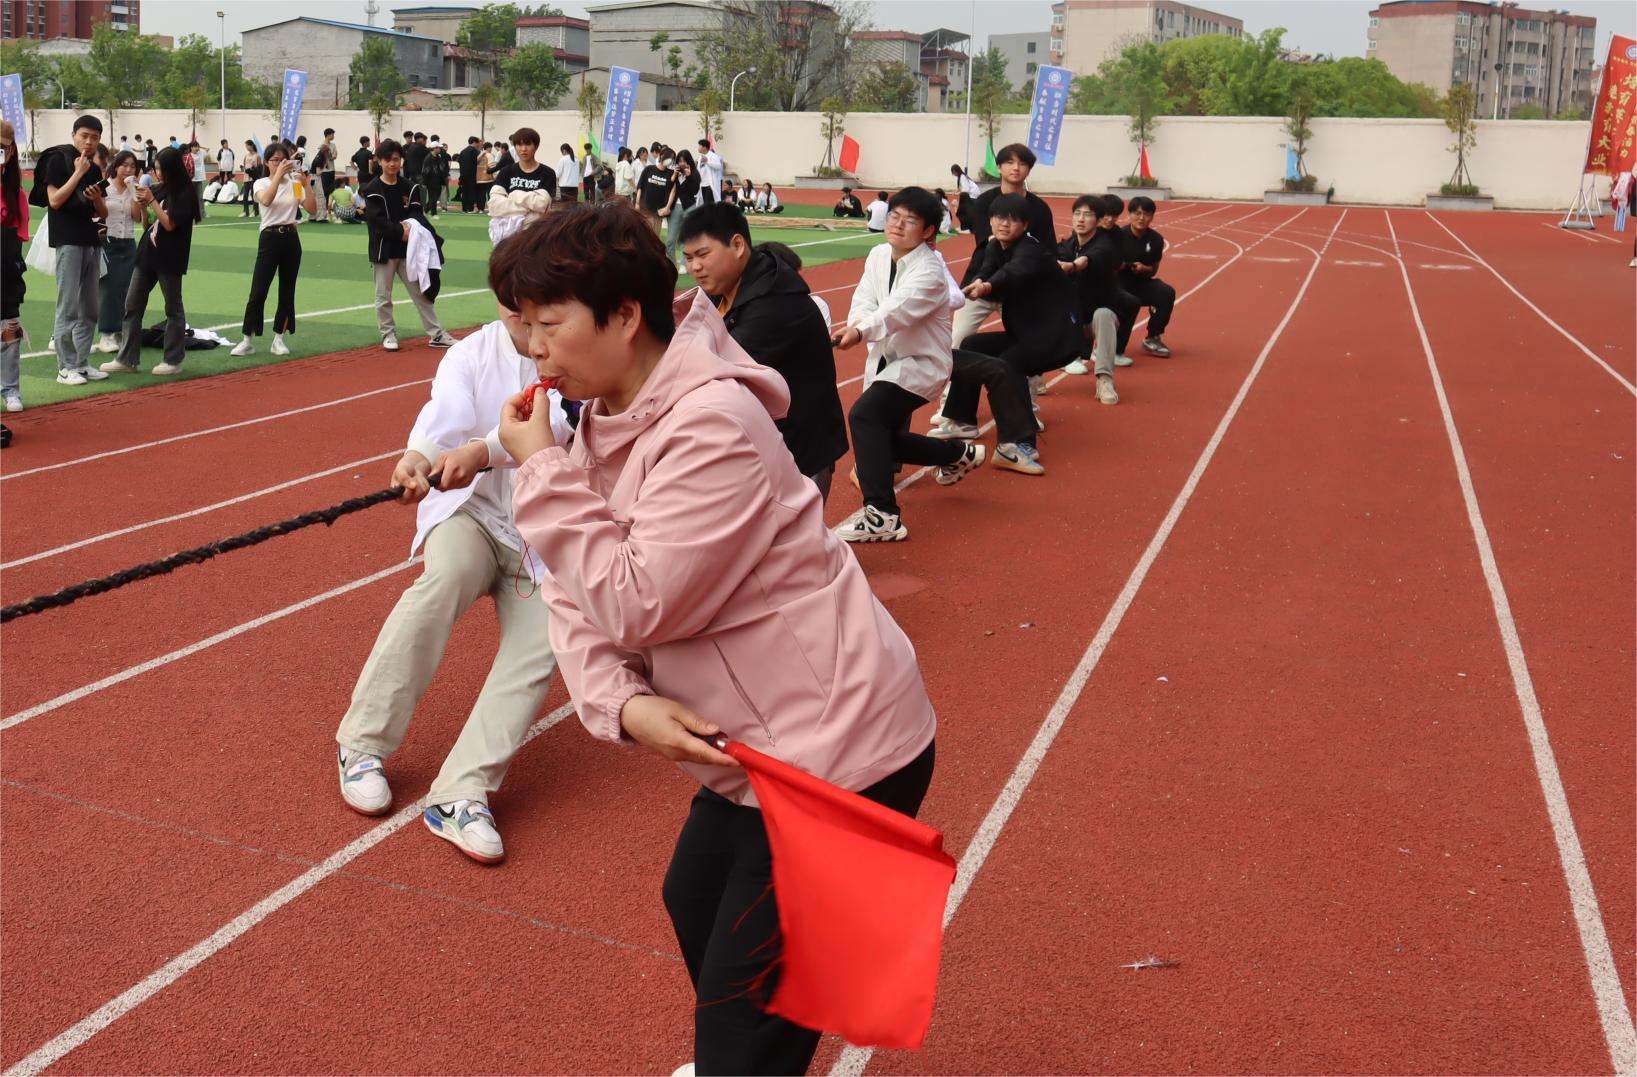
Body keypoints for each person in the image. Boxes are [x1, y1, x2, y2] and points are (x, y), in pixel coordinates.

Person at [492, 204, 940, 1077]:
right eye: (522, 328)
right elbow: (574, 597)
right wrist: (621, 704)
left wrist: (538, 468)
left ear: (624, 315)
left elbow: (631, 601)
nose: (532, 351)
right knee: (694, 897)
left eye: (548, 325)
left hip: (836, 749)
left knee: (744, 1012)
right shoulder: (606, 412)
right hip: (765, 744)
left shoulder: (709, 425)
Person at [334, 297, 570, 863]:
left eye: (541, 310)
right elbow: (444, 411)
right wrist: (419, 455)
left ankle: (462, 792)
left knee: (544, 641)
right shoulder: (471, 353)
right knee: (446, 578)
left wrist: (482, 451)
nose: (527, 323)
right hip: (470, 514)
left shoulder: (572, 353)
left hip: (539, 536)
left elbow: (561, 421)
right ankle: (362, 744)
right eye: (516, 308)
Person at [832, 187, 985, 542]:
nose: (898, 225)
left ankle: (882, 514)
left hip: (923, 363)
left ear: (928, 231)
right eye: (895, 217)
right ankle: (957, 454)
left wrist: (859, 332)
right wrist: (857, 324)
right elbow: (864, 299)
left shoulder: (930, 271)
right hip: (886, 360)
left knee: (864, 416)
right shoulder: (878, 254)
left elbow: (897, 310)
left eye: (910, 220)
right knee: (886, 440)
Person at [680, 202, 848, 502]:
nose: (694, 267)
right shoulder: (722, 290)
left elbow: (712, 369)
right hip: (762, 445)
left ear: (737, 245)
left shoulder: (775, 305)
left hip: (798, 453)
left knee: (792, 544)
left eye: (703, 255)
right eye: (689, 258)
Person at [942, 193, 1080, 477]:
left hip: (1057, 336)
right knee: (972, 344)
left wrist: (988, 287)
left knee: (1009, 364)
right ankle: (961, 419)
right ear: (989, 220)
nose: (1004, 223)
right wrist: (977, 284)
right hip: (1026, 333)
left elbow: (1014, 273)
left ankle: (1019, 444)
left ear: (1025, 224)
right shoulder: (996, 247)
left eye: (1012, 219)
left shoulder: (1032, 250)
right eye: (998, 217)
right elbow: (985, 271)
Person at [103, 145, 201, 377]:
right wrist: (145, 204)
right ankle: (127, 358)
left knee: (173, 309)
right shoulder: (159, 189)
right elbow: (148, 225)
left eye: (161, 169)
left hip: (170, 257)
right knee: (132, 305)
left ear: (172, 169)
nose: (158, 173)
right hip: (147, 253)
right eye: (156, 168)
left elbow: (170, 224)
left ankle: (173, 359)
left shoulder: (184, 193)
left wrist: (152, 201)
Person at [360, 138, 456, 353]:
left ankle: (436, 333)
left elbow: (416, 212)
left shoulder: (409, 187)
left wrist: (408, 229)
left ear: (401, 161)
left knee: (421, 292)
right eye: (387, 160)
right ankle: (388, 333)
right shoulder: (373, 188)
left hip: (408, 249)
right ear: (379, 161)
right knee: (383, 295)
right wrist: (400, 232)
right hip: (384, 250)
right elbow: (375, 221)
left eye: (396, 159)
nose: (392, 164)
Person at [227, 141, 319, 359]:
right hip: (269, 238)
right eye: (275, 160)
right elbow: (266, 200)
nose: (280, 163)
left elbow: (312, 209)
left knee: (287, 291)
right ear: (266, 162)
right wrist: (278, 175)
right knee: (258, 290)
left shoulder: (294, 182)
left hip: (291, 238)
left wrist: (305, 184)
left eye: (283, 159)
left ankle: (279, 338)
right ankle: (247, 339)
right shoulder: (260, 183)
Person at [41, 114, 110, 386]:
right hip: (67, 239)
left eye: (95, 137)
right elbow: (55, 200)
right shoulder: (58, 160)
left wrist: (96, 198)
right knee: (67, 305)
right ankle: (64, 367)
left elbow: (102, 211)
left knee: (90, 306)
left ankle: (81, 363)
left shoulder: (94, 169)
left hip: (91, 238)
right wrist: (78, 173)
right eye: (85, 136)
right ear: (74, 135)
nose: (89, 142)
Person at [1056, 194, 1131, 405]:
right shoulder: (1066, 245)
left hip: (1096, 320)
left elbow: (1093, 257)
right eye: (1077, 214)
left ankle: (1105, 380)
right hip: (1071, 318)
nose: (1080, 219)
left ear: (1098, 221)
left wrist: (1073, 265)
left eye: (1088, 215)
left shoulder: (1107, 246)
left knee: (1104, 314)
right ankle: (1034, 379)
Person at [92, 150, 144, 357]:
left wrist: (134, 193)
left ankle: (121, 331)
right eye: (125, 165)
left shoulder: (134, 189)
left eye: (132, 166)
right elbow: (97, 213)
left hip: (129, 242)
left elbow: (137, 218)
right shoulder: (105, 187)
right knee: (109, 289)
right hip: (109, 241)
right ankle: (106, 333)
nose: (128, 170)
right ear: (116, 166)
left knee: (128, 289)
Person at [1118, 195, 1175, 357]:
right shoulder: (1118, 236)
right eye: (1137, 213)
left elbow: (1154, 269)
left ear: (1152, 217)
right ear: (1129, 214)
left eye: (1146, 214)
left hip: (1141, 284)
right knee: (1128, 302)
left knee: (1166, 292)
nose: (1141, 218)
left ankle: (1153, 337)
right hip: (1118, 284)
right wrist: (1122, 266)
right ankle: (1110, 343)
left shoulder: (1156, 240)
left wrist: (1145, 269)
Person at [1, 119, 27, 414]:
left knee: (9, 331)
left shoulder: (15, 195)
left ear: (9, 153)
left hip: (6, 273)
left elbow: (18, 236)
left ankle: (10, 390)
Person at [660, 149, 700, 267]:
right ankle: (672, 264)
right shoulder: (673, 171)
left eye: (684, 161)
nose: (682, 163)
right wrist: (674, 174)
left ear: (689, 161)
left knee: (686, 238)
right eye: (680, 161)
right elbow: (667, 186)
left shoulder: (694, 173)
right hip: (675, 207)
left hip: (689, 207)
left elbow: (695, 191)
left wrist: (690, 177)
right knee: (670, 240)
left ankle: (684, 264)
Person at [493, 128, 556, 200]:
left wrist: (512, 200)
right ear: (515, 147)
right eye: (519, 144)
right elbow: (496, 202)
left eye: (528, 144)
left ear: (536, 146)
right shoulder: (505, 172)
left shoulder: (548, 173)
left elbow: (544, 205)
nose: (523, 149)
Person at [636, 149, 672, 233]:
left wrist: (666, 208)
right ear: (660, 156)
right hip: (645, 208)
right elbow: (640, 186)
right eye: (667, 157)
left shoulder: (670, 174)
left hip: (658, 211)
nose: (669, 159)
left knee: (655, 236)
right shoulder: (649, 169)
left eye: (671, 158)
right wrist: (637, 202)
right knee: (643, 234)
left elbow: (672, 191)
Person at [313, 128, 338, 222]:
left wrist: (332, 156)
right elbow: (328, 156)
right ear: (327, 135)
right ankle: (322, 213)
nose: (333, 136)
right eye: (332, 134)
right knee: (324, 192)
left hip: (332, 170)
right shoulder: (322, 146)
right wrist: (332, 155)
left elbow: (335, 156)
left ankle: (328, 210)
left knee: (331, 189)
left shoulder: (333, 145)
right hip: (325, 172)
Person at [423, 139, 451, 216]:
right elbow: (425, 171)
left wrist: (446, 175)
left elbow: (442, 168)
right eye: (438, 148)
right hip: (431, 181)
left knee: (435, 197)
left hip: (438, 180)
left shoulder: (438, 157)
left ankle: (425, 210)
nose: (440, 149)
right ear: (434, 148)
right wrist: (425, 182)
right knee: (433, 197)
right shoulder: (428, 158)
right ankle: (433, 213)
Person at [949, 163, 980, 232]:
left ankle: (969, 226)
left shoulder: (962, 177)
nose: (953, 174)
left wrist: (958, 193)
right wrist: (956, 191)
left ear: (956, 171)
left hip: (973, 194)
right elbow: (960, 187)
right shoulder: (961, 177)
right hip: (971, 194)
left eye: (953, 172)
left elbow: (966, 190)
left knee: (966, 210)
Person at [458, 136, 481, 212]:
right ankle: (470, 208)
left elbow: (459, 162)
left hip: (463, 174)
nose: (478, 145)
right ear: (474, 142)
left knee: (464, 191)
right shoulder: (474, 151)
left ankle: (464, 208)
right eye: (478, 143)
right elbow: (476, 162)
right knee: (471, 191)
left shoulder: (462, 151)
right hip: (471, 174)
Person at [696, 137, 722, 205]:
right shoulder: (700, 157)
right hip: (702, 184)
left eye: (699, 146)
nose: (698, 147)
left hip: (710, 184)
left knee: (709, 203)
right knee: (704, 203)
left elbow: (718, 166)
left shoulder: (713, 156)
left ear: (704, 147)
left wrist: (708, 161)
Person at [241, 140, 262, 218]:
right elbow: (244, 165)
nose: (246, 147)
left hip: (254, 178)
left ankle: (255, 211)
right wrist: (243, 169)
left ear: (251, 146)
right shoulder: (246, 156)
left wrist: (254, 171)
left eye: (247, 145)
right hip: (246, 177)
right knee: (245, 195)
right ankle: (245, 211)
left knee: (254, 195)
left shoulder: (257, 156)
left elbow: (260, 168)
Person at [188, 141, 208, 207]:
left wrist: (200, 146)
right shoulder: (188, 155)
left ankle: (202, 213)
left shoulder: (201, 154)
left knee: (200, 197)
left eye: (197, 146)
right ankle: (192, 212)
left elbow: (207, 149)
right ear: (191, 148)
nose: (197, 148)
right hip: (192, 179)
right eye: (195, 147)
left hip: (199, 178)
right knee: (192, 197)